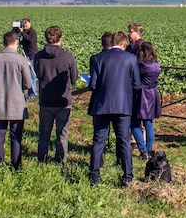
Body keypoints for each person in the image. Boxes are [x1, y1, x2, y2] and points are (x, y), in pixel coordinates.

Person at [88, 31, 141, 185]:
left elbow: (93, 85)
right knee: (124, 141)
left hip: (102, 105)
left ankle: (95, 175)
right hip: (123, 106)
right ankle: (127, 176)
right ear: (124, 44)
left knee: (98, 141)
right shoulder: (130, 59)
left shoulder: (99, 58)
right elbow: (137, 84)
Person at [0, 30, 33, 170]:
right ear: (16, 42)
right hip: (17, 104)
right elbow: (28, 84)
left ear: (4, 43)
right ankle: (16, 165)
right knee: (16, 136)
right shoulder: (22, 60)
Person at [34, 25, 79, 165]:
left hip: (45, 100)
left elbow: (36, 74)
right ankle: (61, 162)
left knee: (44, 134)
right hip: (63, 101)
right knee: (62, 135)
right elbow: (74, 78)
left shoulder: (38, 56)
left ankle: (42, 160)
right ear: (60, 38)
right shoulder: (67, 57)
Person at [131, 40, 162, 160]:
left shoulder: (142, 66)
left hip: (142, 94)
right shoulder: (156, 65)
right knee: (148, 123)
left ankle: (143, 150)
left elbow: (135, 78)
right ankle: (149, 149)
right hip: (152, 93)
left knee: (134, 123)